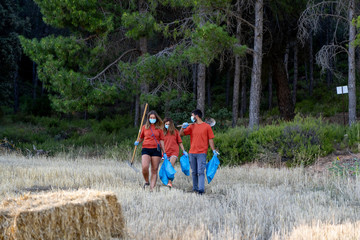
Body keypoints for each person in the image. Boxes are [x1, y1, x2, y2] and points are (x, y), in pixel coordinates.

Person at [179, 109, 219, 194]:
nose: (191, 117)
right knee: (194, 172)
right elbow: (180, 135)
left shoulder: (207, 126)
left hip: (202, 153)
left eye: (192, 115)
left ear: (196, 116)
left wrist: (213, 150)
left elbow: (210, 139)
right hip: (192, 152)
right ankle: (195, 188)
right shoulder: (191, 126)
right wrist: (182, 127)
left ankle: (201, 190)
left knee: (200, 172)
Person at [135, 110, 167, 191]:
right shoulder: (144, 127)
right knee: (145, 167)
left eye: (154, 117)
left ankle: (152, 188)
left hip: (156, 150)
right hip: (146, 148)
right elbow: (141, 137)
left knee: (154, 169)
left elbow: (162, 140)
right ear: (148, 118)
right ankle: (146, 181)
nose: (152, 119)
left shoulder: (160, 128)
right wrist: (138, 141)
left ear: (156, 118)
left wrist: (164, 152)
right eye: (151, 117)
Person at [163, 117, 188, 188]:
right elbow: (161, 144)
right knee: (166, 167)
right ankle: (166, 180)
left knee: (170, 166)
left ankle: (170, 182)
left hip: (174, 152)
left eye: (169, 124)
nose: (167, 125)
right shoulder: (162, 132)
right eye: (166, 124)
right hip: (166, 152)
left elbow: (180, 142)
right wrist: (162, 153)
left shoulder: (175, 131)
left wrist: (184, 150)